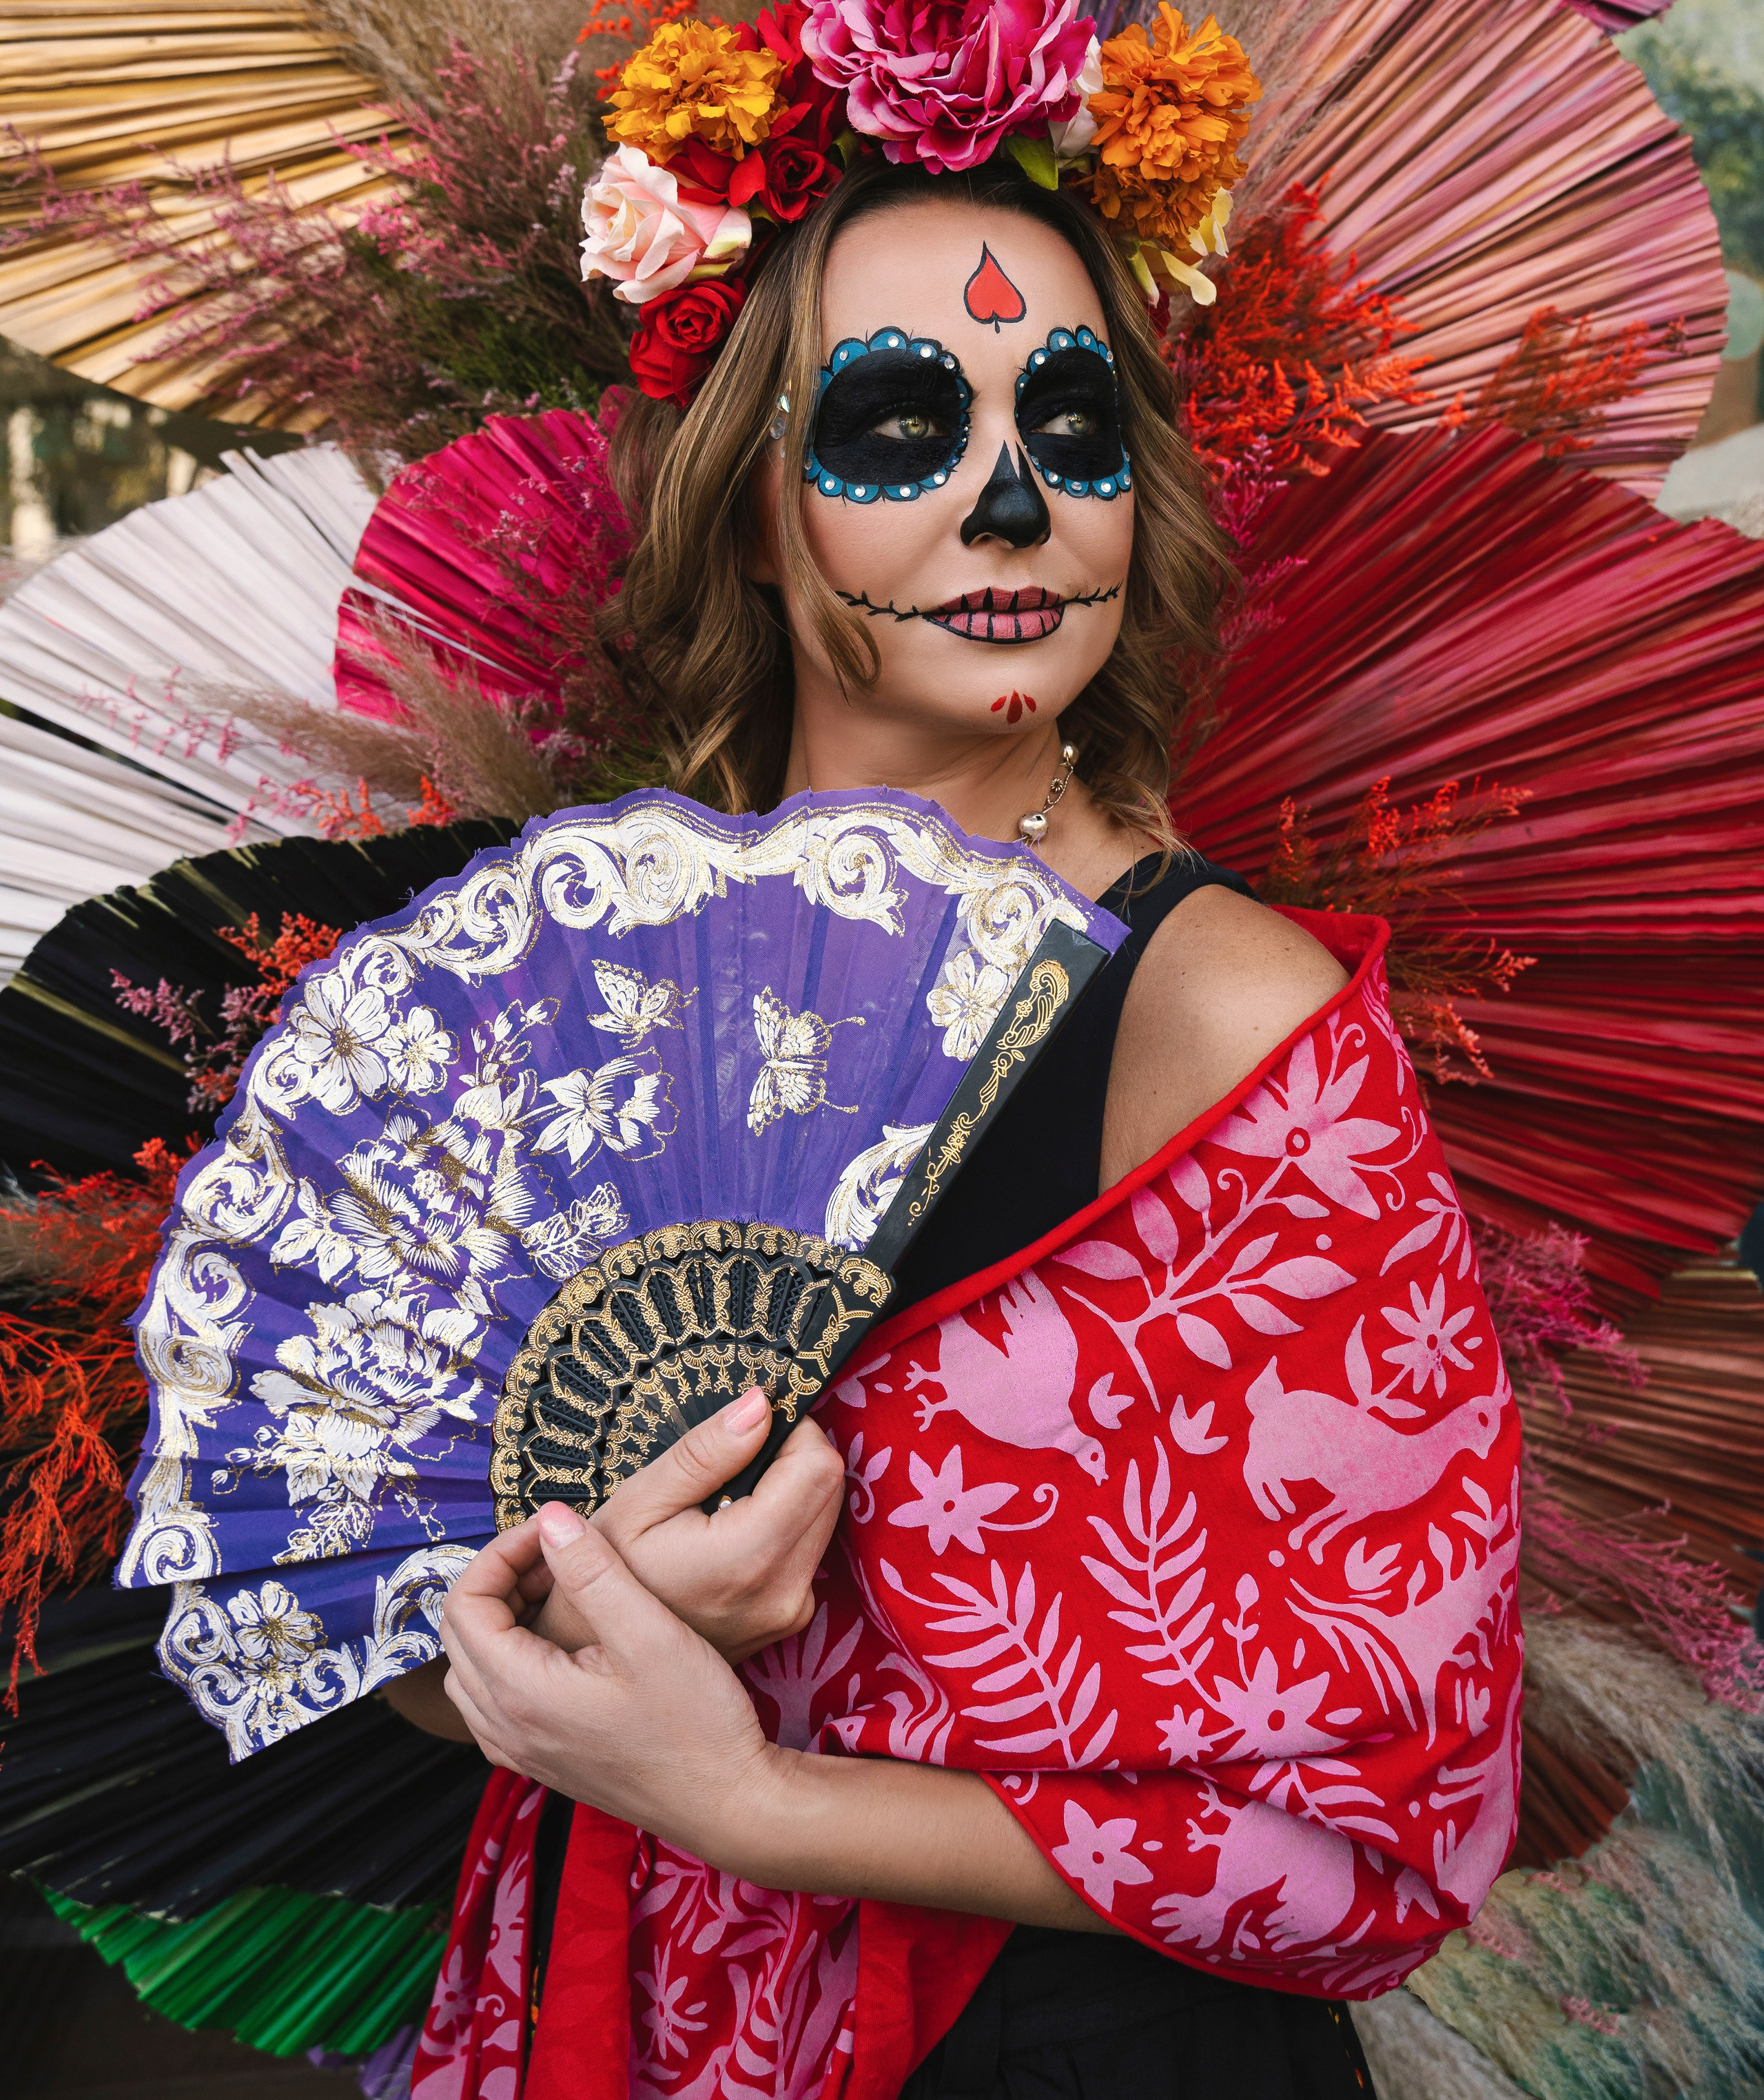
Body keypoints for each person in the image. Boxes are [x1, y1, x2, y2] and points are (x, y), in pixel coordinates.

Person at [391, 155, 1522, 2099]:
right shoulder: (576, 984)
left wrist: (750, 1796)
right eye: (904, 425)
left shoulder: (1224, 1018)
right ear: (751, 505)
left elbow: (1387, 1825)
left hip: (1070, 2051)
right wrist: (592, 1611)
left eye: (1066, 422)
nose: (1016, 501)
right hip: (630, 2004)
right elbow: (373, 1607)